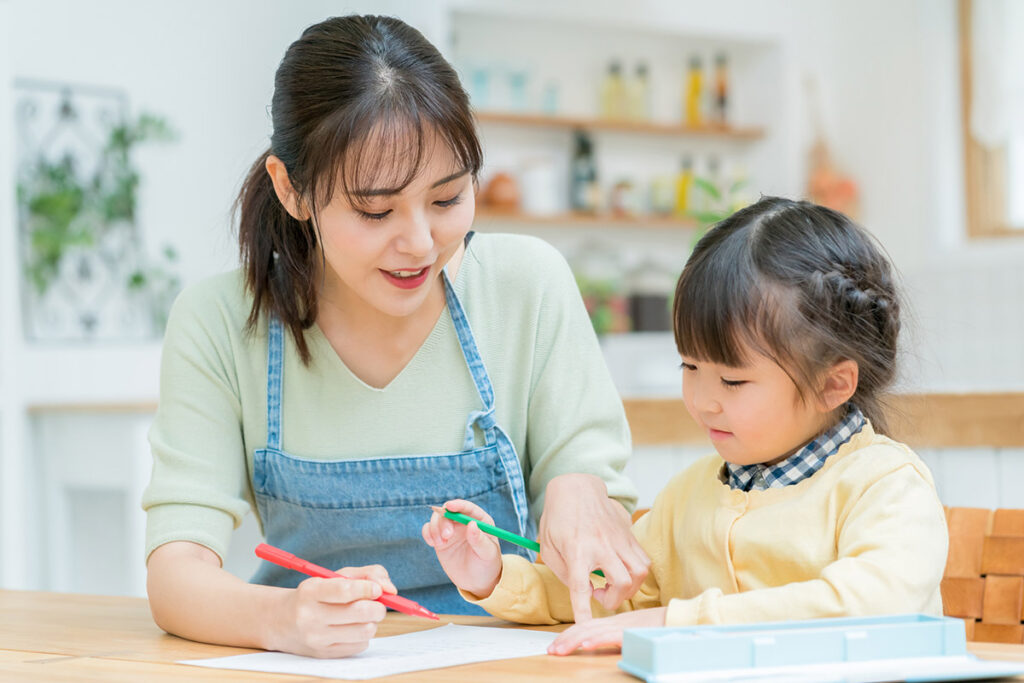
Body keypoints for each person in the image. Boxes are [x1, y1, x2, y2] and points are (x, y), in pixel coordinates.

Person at [142, 14, 647, 658]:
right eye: (375, 210)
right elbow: (176, 572)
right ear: (291, 189)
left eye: (447, 199)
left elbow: (605, 569)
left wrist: (580, 487)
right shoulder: (220, 320)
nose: (419, 243)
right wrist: (286, 621)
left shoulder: (527, 284)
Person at [424, 196, 948, 655]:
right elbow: (611, 596)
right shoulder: (690, 495)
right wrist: (496, 577)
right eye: (690, 368)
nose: (702, 401)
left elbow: (869, 606)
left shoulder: (887, 486)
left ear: (834, 385)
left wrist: (677, 623)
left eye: (733, 382)